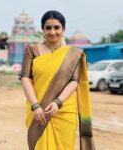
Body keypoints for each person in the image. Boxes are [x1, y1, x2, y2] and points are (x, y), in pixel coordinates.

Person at [21, 10, 95, 150]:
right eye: (48, 28)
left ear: (63, 29)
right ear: (42, 29)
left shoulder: (74, 54)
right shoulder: (31, 50)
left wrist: (57, 102)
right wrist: (35, 106)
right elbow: (26, 78)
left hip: (64, 110)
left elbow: (74, 81)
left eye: (56, 27)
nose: (52, 32)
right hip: (38, 111)